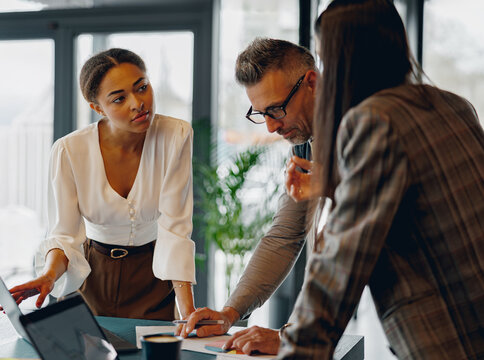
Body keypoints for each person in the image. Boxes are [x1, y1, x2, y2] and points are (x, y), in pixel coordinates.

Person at [282, 0, 484, 359]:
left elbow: (337, 272)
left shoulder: (374, 122)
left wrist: (294, 349)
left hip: (449, 340)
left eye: (323, 59)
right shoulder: (455, 105)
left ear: (342, 60)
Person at [6, 48, 196, 321]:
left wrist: (188, 312)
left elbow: (175, 228)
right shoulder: (69, 150)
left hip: (154, 275)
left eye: (142, 87)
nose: (137, 103)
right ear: (97, 108)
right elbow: (65, 236)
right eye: (119, 98)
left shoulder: (175, 135)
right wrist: (48, 276)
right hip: (91, 276)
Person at [180, 38, 319, 355]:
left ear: (311, 82)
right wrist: (230, 313)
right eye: (261, 113)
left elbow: (346, 253)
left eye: (277, 109)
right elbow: (285, 233)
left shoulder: (362, 132)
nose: (271, 127)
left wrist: (289, 338)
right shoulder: (304, 144)